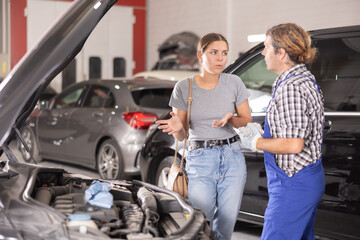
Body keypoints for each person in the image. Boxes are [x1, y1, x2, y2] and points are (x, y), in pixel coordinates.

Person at [156, 33, 251, 240]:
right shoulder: (184, 87)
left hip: (232, 155)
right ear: (200, 55)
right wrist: (177, 126)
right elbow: (182, 136)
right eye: (214, 52)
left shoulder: (234, 82)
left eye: (224, 53)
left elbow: (246, 120)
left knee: (226, 222)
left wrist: (231, 119)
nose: (220, 58)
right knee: (201, 219)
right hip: (201, 158)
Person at [239, 23, 325, 239]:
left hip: (293, 183)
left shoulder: (291, 88)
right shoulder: (303, 80)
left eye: (267, 47)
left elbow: (293, 144)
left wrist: (255, 142)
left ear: (282, 53)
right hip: (305, 179)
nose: (263, 52)